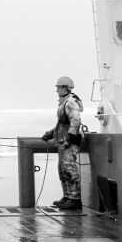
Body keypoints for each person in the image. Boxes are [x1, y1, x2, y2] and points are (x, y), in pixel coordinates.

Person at [41, 76, 84, 210]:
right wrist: (50, 134)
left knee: (69, 169)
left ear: (65, 88)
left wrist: (69, 139)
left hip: (68, 142)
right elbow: (61, 124)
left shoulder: (70, 102)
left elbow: (75, 121)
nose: (57, 90)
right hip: (62, 141)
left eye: (58, 87)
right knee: (62, 170)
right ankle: (67, 196)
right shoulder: (63, 102)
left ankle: (75, 199)